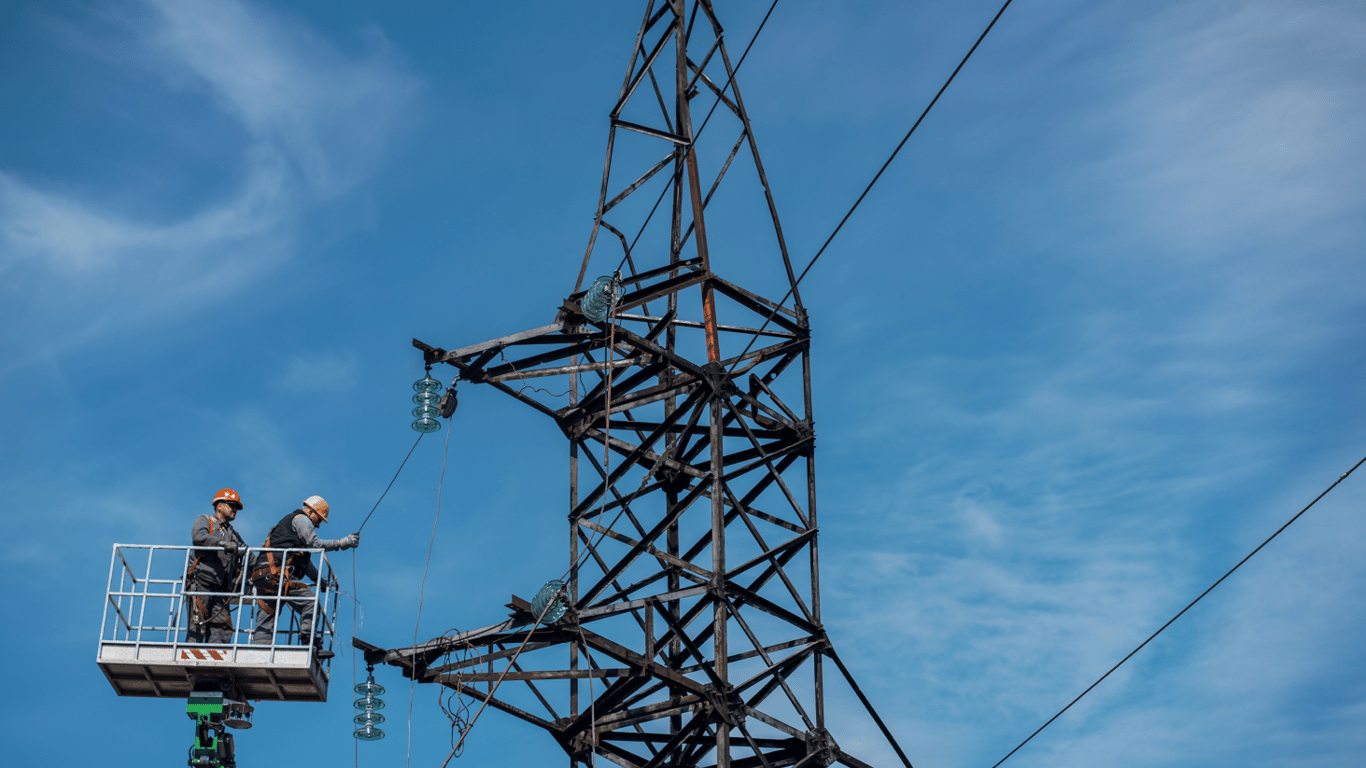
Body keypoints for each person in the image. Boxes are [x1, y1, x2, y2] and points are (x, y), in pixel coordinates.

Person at [250, 495, 358, 659]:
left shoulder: (290, 532)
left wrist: (319, 581)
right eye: (319, 519)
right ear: (312, 512)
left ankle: (258, 654)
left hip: (263, 575)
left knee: (267, 615)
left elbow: (304, 564)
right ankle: (309, 645)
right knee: (310, 602)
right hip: (276, 574)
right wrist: (342, 543)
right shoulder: (301, 519)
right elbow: (315, 544)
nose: (318, 525)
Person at [186, 488, 248, 643]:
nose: (235, 510)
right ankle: (192, 661)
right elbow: (198, 537)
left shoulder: (233, 534)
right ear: (219, 506)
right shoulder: (205, 520)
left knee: (222, 630)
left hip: (220, 588)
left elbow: (247, 554)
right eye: (231, 505)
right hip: (201, 583)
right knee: (197, 627)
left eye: (236, 507)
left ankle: (215, 663)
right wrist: (222, 544)